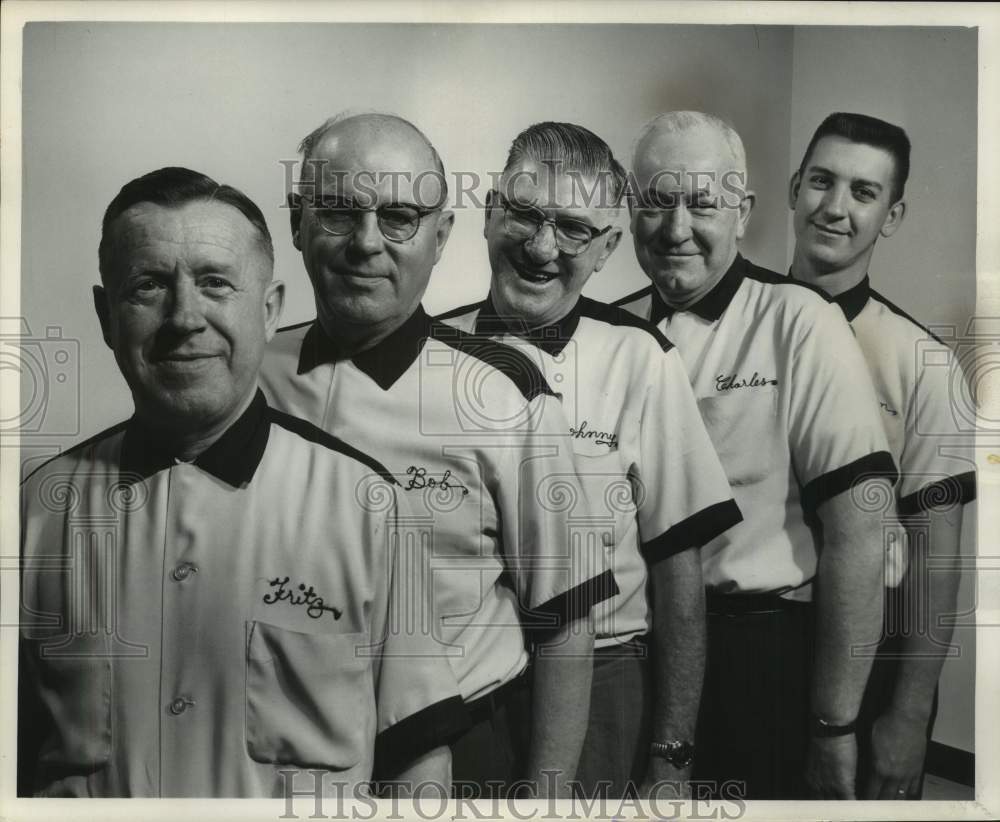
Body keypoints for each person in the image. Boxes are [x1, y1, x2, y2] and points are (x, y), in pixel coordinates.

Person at [18, 167, 464, 798]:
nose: (184, 317)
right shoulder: (36, 512)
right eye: (148, 286)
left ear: (271, 309)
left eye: (214, 282)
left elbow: (418, 761)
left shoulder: (369, 506)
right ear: (105, 315)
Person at [259, 113, 616, 798]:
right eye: (338, 212)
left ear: (441, 235)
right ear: (298, 222)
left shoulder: (504, 390)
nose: (367, 243)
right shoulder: (247, 380)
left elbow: (566, 620)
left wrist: (544, 802)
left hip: (469, 746)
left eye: (399, 217)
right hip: (285, 751)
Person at [438, 121, 742, 798]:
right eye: (523, 215)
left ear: (606, 248)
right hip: (461, 685)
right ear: (490, 215)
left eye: (573, 228)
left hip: (606, 682)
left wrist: (672, 756)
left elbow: (679, 573)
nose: (542, 247)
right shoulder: (432, 351)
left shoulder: (641, 360)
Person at [615, 111, 898, 800]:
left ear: (741, 212)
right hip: (635, 654)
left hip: (757, 659)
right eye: (656, 201)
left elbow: (861, 535)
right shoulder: (613, 333)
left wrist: (836, 727)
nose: (676, 228)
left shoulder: (800, 321)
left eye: (702, 203)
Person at [788, 112, 976, 800]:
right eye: (821, 181)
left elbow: (935, 554)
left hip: (867, 657)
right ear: (792, 188)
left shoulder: (924, 363)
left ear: (891, 216)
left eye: (863, 193)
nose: (835, 208)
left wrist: (910, 712)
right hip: (746, 649)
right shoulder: (733, 330)